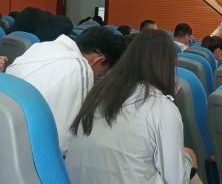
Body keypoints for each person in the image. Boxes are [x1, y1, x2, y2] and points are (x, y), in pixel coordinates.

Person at [65, 30, 201, 184]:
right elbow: (175, 179)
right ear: (169, 64)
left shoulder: (96, 94)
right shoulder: (162, 107)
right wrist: (188, 161)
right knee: (189, 163)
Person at [7, 26, 126, 154]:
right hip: (26, 149)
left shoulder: (41, 46)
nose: (97, 77)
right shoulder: (80, 68)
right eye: (101, 74)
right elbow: (69, 139)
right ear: (98, 60)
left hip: (8, 133)